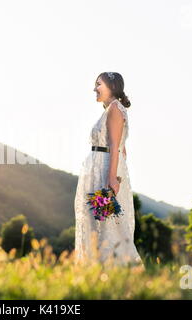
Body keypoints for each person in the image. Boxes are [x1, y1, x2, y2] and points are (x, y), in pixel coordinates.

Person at [74, 72, 143, 267]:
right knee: (97, 222)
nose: (95, 88)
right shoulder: (110, 110)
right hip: (99, 171)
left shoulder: (114, 108)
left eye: (99, 84)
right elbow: (123, 149)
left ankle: (119, 268)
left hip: (104, 174)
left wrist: (112, 178)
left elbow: (115, 146)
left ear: (111, 86)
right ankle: (98, 269)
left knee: (106, 223)